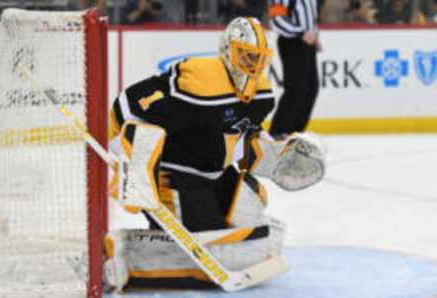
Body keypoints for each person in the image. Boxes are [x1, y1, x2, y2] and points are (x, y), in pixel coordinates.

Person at [103, 17, 325, 291]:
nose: (253, 67)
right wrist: (135, 169)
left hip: (214, 174)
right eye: (247, 57)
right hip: (174, 178)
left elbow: (245, 142)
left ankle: (175, 245)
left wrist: (277, 154)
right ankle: (125, 255)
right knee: (214, 252)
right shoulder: (199, 82)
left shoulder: (262, 95)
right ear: (228, 52)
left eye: (260, 58)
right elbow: (127, 106)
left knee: (252, 213)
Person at [267, 0, 321, 138]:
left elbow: (310, 17)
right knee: (296, 89)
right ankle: (278, 132)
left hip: (307, 42)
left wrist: (314, 35)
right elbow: (276, 19)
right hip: (292, 42)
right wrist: (301, 33)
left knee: (311, 89)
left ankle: (296, 133)